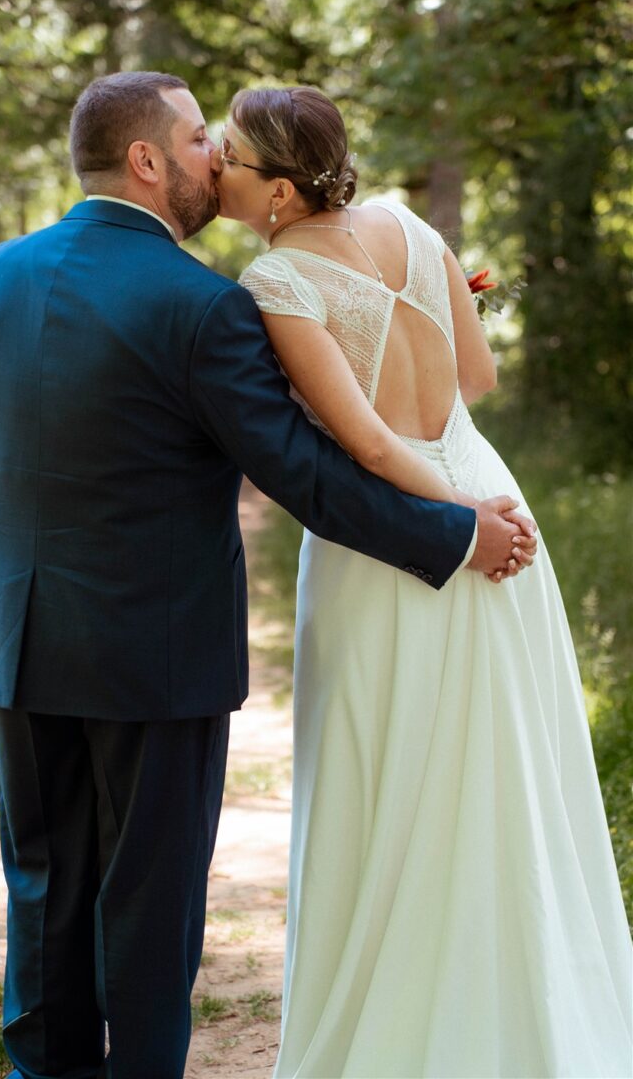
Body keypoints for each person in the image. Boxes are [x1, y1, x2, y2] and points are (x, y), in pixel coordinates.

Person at [0, 71, 534, 1079]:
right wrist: (451, 536)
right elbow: (302, 476)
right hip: (157, 661)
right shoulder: (207, 308)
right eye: (196, 141)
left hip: (20, 636)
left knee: (43, 887)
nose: (214, 159)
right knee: (150, 904)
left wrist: (7, 589)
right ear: (145, 161)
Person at [217, 85, 633, 1078]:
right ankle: (519, 1003)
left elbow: (363, 438)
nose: (213, 170)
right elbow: (476, 379)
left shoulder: (275, 281)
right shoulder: (408, 223)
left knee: (388, 761)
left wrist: (449, 522)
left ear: (277, 190)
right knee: (502, 757)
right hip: (493, 491)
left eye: (228, 157)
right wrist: (471, 497)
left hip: (404, 537)